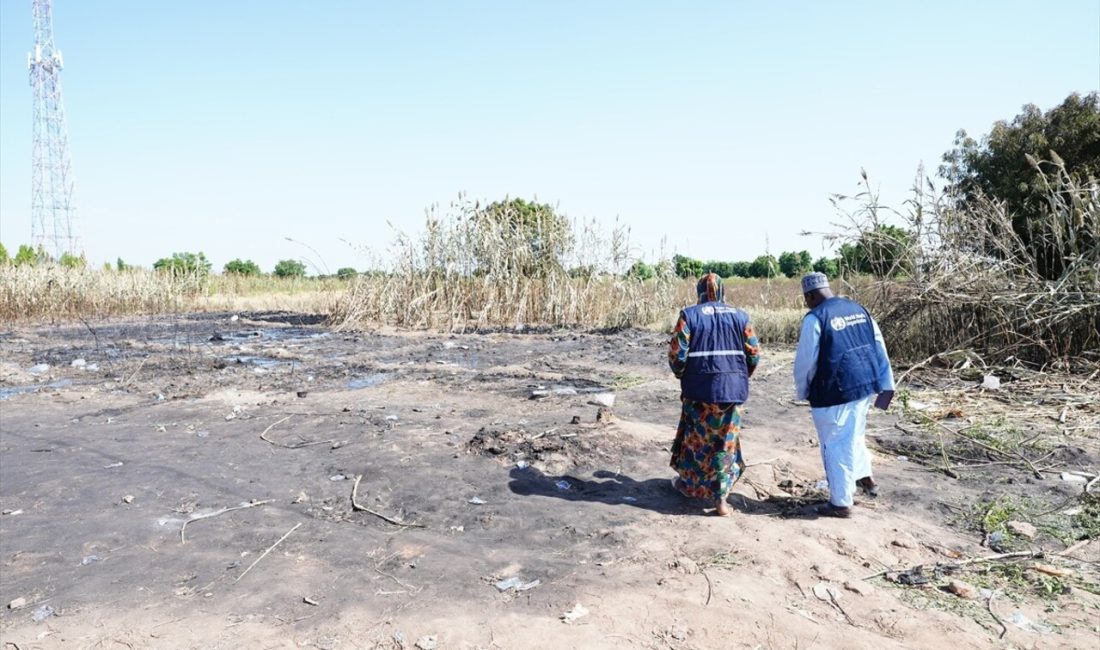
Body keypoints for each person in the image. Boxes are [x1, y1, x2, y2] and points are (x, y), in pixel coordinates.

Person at [793, 272, 895, 518]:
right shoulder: (858, 309)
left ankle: (840, 503)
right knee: (854, 433)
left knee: (835, 445)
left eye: (806, 299)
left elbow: (806, 362)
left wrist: (803, 390)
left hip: (833, 391)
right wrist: (885, 382)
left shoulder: (815, 318)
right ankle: (865, 478)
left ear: (809, 295)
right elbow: (878, 345)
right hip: (864, 385)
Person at [668, 273, 761, 516]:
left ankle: (689, 486)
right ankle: (720, 500)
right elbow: (754, 354)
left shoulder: (689, 315)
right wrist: (739, 375)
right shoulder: (741, 317)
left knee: (695, 442)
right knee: (725, 444)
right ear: (722, 292)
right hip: (732, 392)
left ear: (699, 292)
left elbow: (677, 356)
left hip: (698, 393)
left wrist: (682, 374)